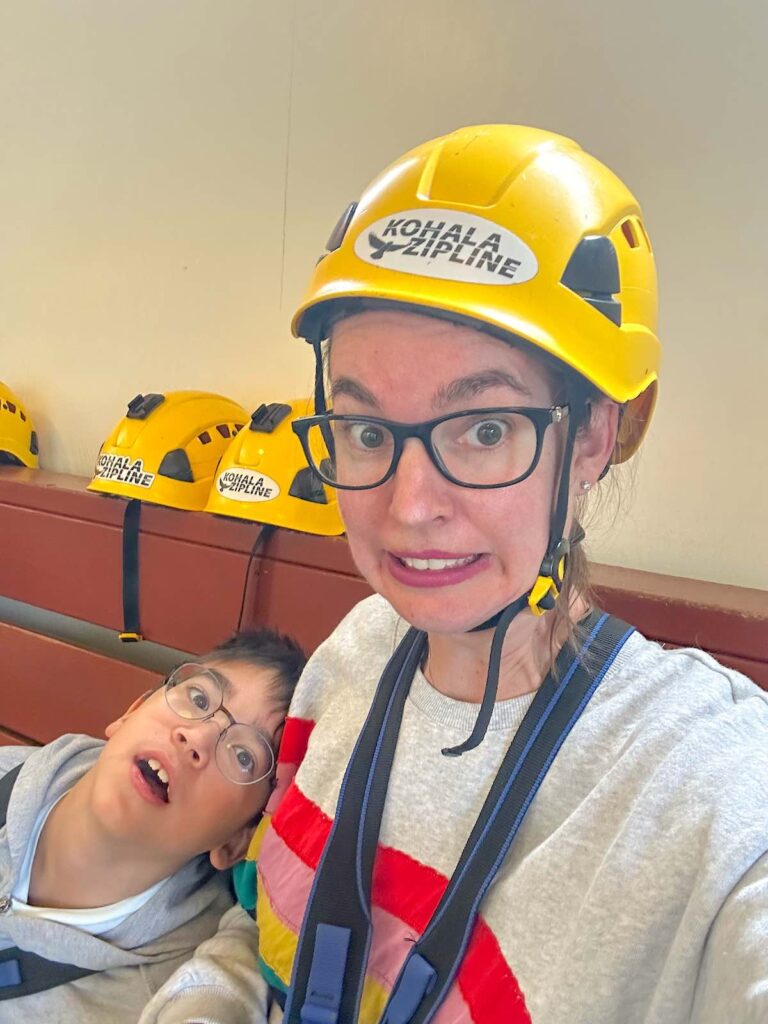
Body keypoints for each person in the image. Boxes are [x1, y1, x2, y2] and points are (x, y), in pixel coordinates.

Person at [140, 125, 768, 1024]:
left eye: (482, 430)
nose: (409, 505)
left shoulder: (704, 783)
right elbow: (265, 935)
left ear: (594, 433)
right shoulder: (352, 658)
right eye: (364, 430)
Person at [0, 627, 305, 1022]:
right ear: (130, 713)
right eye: (199, 698)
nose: (196, 736)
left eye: (244, 756)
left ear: (236, 842)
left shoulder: (162, 996)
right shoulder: (7, 772)